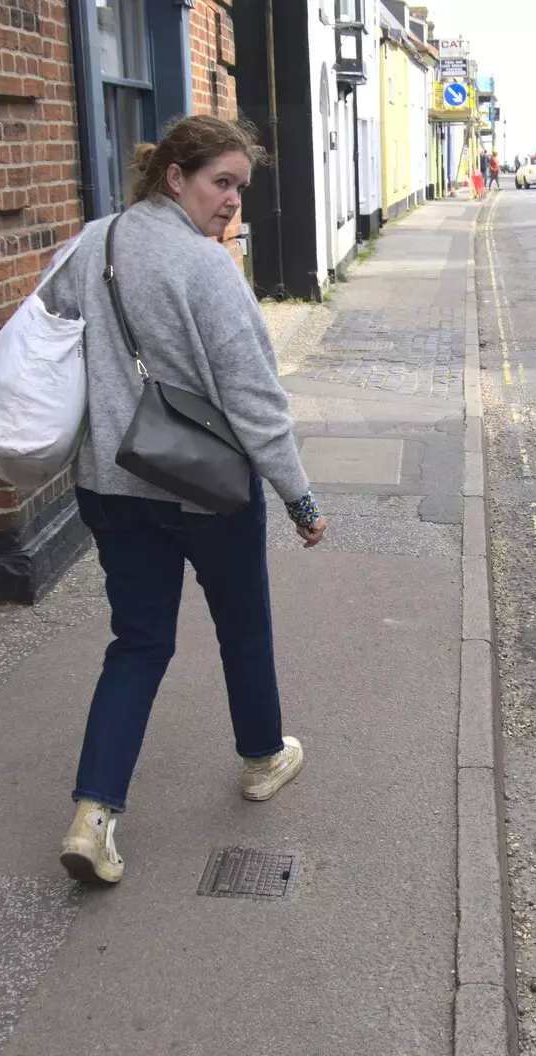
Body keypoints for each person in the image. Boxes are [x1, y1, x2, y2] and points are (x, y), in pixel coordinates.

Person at [40, 114, 327, 885]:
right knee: (243, 629)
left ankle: (93, 817)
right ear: (175, 177)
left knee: (137, 644)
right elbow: (257, 403)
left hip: (110, 482)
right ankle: (264, 759)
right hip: (207, 492)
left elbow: (47, 346)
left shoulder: (88, 246)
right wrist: (299, 500)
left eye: (240, 187)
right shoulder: (207, 271)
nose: (233, 201)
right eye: (221, 182)